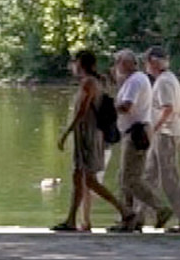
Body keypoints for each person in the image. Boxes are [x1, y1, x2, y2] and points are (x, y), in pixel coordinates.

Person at [54, 49, 126, 231]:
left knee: (89, 180)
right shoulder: (96, 81)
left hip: (88, 134)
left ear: (80, 64)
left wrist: (66, 133)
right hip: (86, 133)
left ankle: (125, 211)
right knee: (78, 177)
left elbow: (82, 111)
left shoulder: (89, 83)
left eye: (74, 62)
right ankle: (71, 219)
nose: (72, 66)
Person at [109, 48, 171, 231]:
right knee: (124, 177)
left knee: (130, 179)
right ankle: (129, 219)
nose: (116, 66)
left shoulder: (135, 81)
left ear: (127, 63)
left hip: (136, 133)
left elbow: (127, 106)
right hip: (134, 131)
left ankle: (160, 208)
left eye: (118, 62)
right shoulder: (135, 79)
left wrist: (106, 109)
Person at [143, 45, 180, 231]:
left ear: (154, 62)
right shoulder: (169, 79)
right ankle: (144, 216)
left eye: (147, 61)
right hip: (166, 133)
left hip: (165, 134)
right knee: (149, 177)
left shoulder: (164, 82)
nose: (145, 66)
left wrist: (152, 130)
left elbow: (168, 108)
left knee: (169, 178)